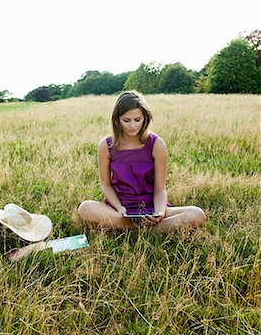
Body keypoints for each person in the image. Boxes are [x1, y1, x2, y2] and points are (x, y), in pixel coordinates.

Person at [78, 90, 205, 232]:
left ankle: (131, 229)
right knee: (85, 208)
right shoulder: (105, 146)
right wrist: (120, 208)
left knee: (197, 214)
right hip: (120, 210)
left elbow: (160, 189)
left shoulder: (157, 144)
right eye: (126, 120)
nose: (132, 125)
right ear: (116, 119)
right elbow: (106, 186)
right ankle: (144, 229)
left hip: (150, 208)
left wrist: (160, 212)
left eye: (137, 120)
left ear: (145, 118)